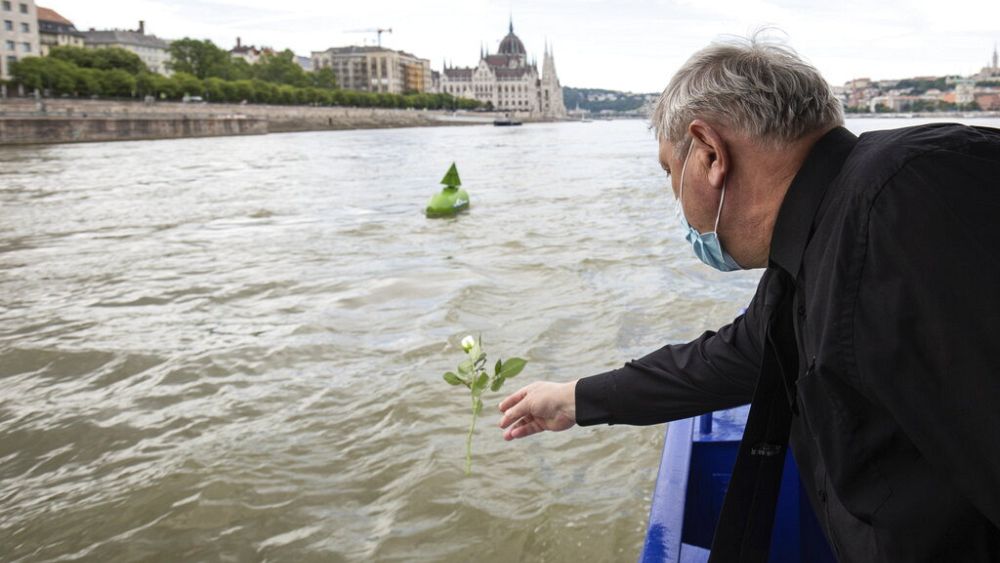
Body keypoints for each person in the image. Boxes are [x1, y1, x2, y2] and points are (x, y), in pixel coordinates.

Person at [498, 33, 1000, 562]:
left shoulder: (901, 208)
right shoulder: (819, 236)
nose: (678, 201)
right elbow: (735, 356)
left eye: (671, 172)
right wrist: (575, 399)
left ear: (710, 154)